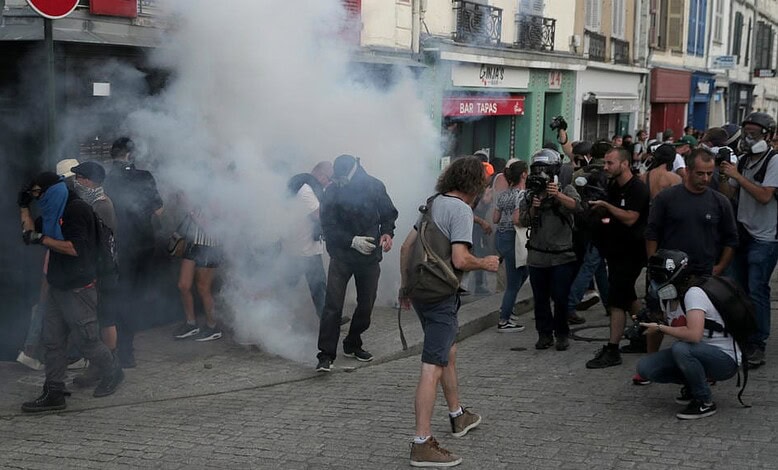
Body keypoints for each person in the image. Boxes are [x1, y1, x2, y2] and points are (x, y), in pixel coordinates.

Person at [399, 156, 499, 467]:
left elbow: (406, 248)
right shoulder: (461, 210)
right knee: (432, 366)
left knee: (447, 351)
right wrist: (485, 263)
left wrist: (404, 288)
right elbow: (460, 259)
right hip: (441, 295)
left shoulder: (433, 203)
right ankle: (422, 443)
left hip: (421, 291)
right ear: (475, 184)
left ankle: (457, 415)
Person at [19, 172, 124, 412]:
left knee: (87, 341)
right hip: (58, 285)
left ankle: (113, 370)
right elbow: (28, 235)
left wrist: (42, 239)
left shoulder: (76, 210)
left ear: (51, 190)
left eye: (39, 193)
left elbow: (75, 248)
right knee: (53, 342)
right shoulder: (52, 211)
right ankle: (54, 391)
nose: (38, 198)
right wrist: (23, 208)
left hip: (79, 287)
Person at [638, 149, 739, 383]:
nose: (706, 178)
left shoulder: (719, 202)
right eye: (700, 173)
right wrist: (653, 264)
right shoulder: (667, 198)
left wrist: (719, 267)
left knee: (700, 324)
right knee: (657, 316)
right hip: (667, 275)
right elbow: (652, 232)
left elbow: (731, 239)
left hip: (703, 276)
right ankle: (652, 362)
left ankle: (701, 367)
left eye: (710, 173)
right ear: (688, 171)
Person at [315, 155, 398, 372]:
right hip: (341, 256)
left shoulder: (374, 186)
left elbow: (388, 214)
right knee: (332, 305)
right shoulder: (332, 191)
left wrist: (387, 233)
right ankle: (325, 354)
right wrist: (351, 241)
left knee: (366, 304)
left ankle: (352, 343)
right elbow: (328, 226)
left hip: (369, 257)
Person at [636, 250, 741, 420]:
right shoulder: (667, 298)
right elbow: (673, 323)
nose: (655, 282)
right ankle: (693, 386)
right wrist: (647, 321)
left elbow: (693, 335)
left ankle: (704, 401)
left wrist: (660, 328)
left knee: (681, 349)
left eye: (659, 277)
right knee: (646, 367)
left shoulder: (694, 294)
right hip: (699, 353)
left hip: (724, 359)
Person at [720, 112, 778, 368]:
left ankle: (758, 343)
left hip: (765, 237)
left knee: (757, 289)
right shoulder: (743, 161)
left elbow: (765, 196)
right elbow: (727, 194)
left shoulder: (774, 160)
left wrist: (738, 176)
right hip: (742, 233)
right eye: (746, 133)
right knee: (738, 289)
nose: (748, 138)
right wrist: (724, 174)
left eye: (754, 133)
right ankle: (743, 336)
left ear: (768, 135)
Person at [586, 147, 650, 369]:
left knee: (616, 302)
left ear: (625, 164)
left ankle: (612, 349)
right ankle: (645, 335)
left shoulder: (638, 188)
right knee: (628, 297)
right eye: (605, 163)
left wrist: (606, 206)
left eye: (610, 163)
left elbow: (631, 218)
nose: (606, 167)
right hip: (614, 251)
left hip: (631, 253)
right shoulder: (613, 186)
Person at [103, 137, 164, 368]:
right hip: (144, 244)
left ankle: (120, 349)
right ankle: (127, 349)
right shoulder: (144, 176)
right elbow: (159, 210)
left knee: (120, 295)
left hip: (118, 246)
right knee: (135, 296)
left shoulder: (106, 180)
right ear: (130, 155)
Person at [518, 148, 581, 351]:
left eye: (544, 169)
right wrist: (534, 207)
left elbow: (577, 207)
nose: (540, 174)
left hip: (562, 257)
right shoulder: (530, 194)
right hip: (537, 257)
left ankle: (561, 334)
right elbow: (523, 221)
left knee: (560, 298)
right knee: (540, 300)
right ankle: (544, 334)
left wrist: (557, 195)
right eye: (537, 169)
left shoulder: (566, 189)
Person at [69, 161, 122, 387]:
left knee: (106, 319)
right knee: (96, 319)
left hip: (105, 270)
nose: (76, 182)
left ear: (89, 181)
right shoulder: (90, 203)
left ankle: (111, 367)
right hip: (96, 269)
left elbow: (97, 242)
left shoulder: (101, 205)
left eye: (79, 178)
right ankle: (97, 365)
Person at [283, 161, 334, 320]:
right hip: (303, 248)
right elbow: (319, 214)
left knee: (317, 285)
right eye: (329, 178)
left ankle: (327, 319)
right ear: (320, 175)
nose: (328, 182)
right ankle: (276, 315)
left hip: (305, 247)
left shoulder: (311, 188)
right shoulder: (306, 190)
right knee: (295, 285)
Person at [172, 206, 223, 341]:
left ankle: (212, 326)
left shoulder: (219, 196)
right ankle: (191, 323)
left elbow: (213, 219)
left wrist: (192, 210)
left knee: (203, 287)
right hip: (192, 241)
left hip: (209, 244)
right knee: (183, 285)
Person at [492, 161, 529, 331]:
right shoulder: (521, 195)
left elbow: (495, 219)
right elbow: (516, 219)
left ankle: (508, 307)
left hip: (501, 237)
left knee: (522, 272)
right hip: (514, 238)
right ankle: (504, 319)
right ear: (523, 174)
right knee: (514, 283)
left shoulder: (503, 195)